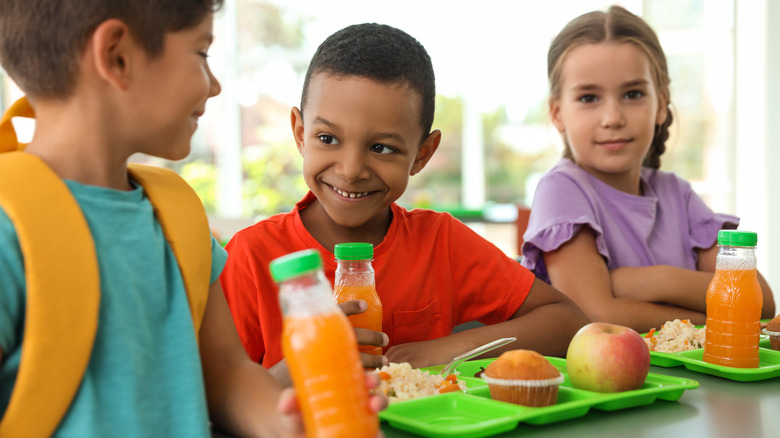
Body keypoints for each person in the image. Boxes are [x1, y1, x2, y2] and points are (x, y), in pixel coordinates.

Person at [0, 1, 384, 436]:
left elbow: (225, 373)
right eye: (201, 54)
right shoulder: (7, 226)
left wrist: (286, 425)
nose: (215, 85)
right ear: (117, 56)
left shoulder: (176, 213)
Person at [221, 22, 589, 386]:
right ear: (301, 135)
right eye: (328, 138)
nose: (350, 171)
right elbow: (218, 393)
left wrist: (449, 348)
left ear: (422, 155)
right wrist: (305, 363)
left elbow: (565, 319)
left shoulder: (440, 243)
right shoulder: (253, 257)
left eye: (381, 147)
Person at [521, 5, 775, 333]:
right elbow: (597, 317)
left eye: (633, 94)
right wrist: (722, 314)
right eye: (588, 98)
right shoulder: (562, 189)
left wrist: (657, 280)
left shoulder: (677, 194)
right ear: (557, 113)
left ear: (661, 104)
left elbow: (762, 300)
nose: (612, 117)